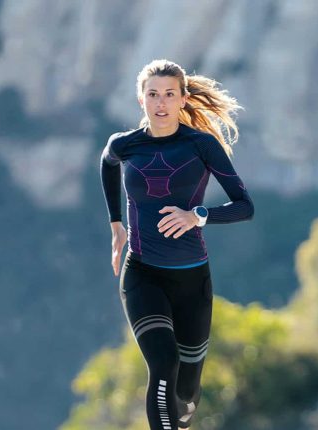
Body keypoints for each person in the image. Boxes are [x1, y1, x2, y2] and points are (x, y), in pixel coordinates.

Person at [100, 59, 254, 430]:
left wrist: (196, 215)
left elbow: (244, 206)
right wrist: (116, 224)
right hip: (142, 274)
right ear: (142, 101)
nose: (161, 103)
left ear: (183, 98)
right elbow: (107, 163)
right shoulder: (124, 145)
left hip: (191, 281)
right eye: (152, 95)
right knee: (163, 364)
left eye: (169, 94)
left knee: (186, 392)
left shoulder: (202, 145)